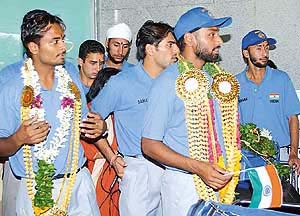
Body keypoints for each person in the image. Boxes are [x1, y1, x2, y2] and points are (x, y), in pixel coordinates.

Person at [141, 7, 294, 216]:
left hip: (221, 183)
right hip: (185, 187)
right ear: (189, 39)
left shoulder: (218, 80)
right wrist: (198, 167)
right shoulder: (168, 82)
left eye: (217, 35)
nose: (219, 41)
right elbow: (149, 144)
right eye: (211, 34)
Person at [0, 9, 106, 215]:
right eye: (55, 41)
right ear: (33, 47)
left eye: (63, 40)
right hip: (35, 190)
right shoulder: (12, 86)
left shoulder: (71, 79)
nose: (63, 47)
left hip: (78, 183)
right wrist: (18, 138)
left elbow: (85, 122)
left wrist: (98, 127)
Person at [92, 20, 179, 215]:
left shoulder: (177, 82)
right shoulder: (121, 82)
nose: (176, 51)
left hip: (174, 167)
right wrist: (112, 158)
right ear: (150, 49)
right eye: (170, 45)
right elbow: (91, 122)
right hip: (140, 169)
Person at [236, 30, 300, 173]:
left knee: (282, 195)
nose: (264, 53)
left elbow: (293, 118)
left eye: (266, 47)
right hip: (248, 156)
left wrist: (294, 153)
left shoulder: (281, 79)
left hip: (281, 154)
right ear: (246, 53)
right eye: (258, 48)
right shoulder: (235, 84)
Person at [82, 67, 123, 216]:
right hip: (97, 172)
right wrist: (112, 153)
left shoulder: (124, 112)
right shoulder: (89, 111)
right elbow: (84, 147)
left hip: (120, 174)